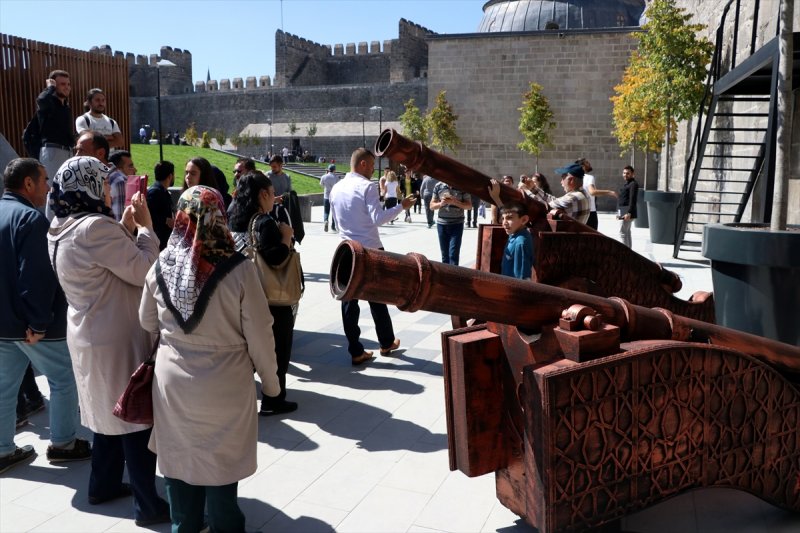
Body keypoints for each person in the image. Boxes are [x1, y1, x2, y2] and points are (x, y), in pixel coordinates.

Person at [139, 185, 280, 531]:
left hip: (173, 383)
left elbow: (146, 321)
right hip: (226, 384)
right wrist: (272, 385)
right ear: (219, 216)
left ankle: (183, 525)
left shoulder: (162, 265)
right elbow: (261, 334)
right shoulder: (240, 269)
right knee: (221, 464)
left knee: (180, 458)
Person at [47, 156, 169, 526]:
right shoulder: (94, 228)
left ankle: (102, 485)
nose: (106, 190)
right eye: (100, 184)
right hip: (115, 335)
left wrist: (122, 227)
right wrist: (146, 229)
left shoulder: (60, 224)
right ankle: (148, 505)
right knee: (133, 416)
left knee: (106, 413)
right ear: (85, 187)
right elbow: (145, 269)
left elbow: (99, 259)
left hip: (88, 331)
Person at [0, 158, 90, 474]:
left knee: (3, 386)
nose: (48, 187)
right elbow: (35, 276)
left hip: (3, 323)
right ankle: (63, 444)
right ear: (28, 184)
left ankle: (2, 450)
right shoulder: (31, 219)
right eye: (44, 180)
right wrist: (38, 322)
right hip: (31, 325)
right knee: (64, 378)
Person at [329, 148, 416, 365]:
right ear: (363, 165)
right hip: (370, 249)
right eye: (371, 166)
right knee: (378, 298)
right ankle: (386, 342)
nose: (373, 172)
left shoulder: (336, 187)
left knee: (349, 300)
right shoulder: (367, 186)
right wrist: (401, 206)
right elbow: (378, 218)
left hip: (347, 248)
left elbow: (336, 220)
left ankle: (356, 350)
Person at [228, 173, 297, 415]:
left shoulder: (233, 218)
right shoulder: (264, 222)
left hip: (241, 294)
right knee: (278, 348)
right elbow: (276, 258)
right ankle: (274, 399)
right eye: (270, 193)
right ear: (263, 195)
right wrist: (287, 238)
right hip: (270, 298)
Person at [487, 184, 533, 280]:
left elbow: (523, 279)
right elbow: (507, 212)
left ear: (524, 220)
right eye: (503, 218)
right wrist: (496, 198)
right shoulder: (516, 233)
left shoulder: (520, 243)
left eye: (509, 218)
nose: (504, 223)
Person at [36, 70, 73, 181]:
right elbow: (41, 99)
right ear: (53, 85)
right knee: (52, 189)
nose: (66, 87)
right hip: (52, 151)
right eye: (62, 84)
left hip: (67, 152)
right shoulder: (48, 103)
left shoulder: (65, 107)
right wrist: (50, 87)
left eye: (68, 84)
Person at [431, 180, 471, 264]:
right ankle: (445, 275)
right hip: (442, 224)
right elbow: (431, 206)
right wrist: (441, 204)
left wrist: (454, 202)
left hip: (457, 224)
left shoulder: (462, 186)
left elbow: (469, 206)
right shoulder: (439, 186)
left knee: (453, 254)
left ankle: (454, 275)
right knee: (444, 255)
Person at [577, 158, 616, 230]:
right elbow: (593, 192)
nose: (589, 163)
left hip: (579, 212)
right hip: (590, 212)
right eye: (587, 163)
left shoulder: (575, 177)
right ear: (582, 166)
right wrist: (609, 192)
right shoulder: (589, 177)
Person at [147, 160, 175, 250]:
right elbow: (149, 215)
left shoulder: (161, 191)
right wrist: (166, 220)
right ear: (170, 176)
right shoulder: (155, 192)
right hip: (158, 242)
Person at [617, 165, 639, 248]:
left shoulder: (633, 184)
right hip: (624, 211)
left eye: (628, 173)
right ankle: (629, 252)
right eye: (624, 173)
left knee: (622, 233)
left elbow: (632, 199)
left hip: (627, 212)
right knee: (627, 232)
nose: (625, 175)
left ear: (633, 174)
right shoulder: (628, 183)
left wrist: (629, 212)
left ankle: (625, 254)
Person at [320, 163, 340, 232]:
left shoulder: (324, 176)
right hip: (334, 197)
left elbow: (321, 185)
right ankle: (333, 226)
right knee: (334, 212)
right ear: (334, 170)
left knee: (326, 211)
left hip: (326, 196)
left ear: (328, 169)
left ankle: (326, 221)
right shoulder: (336, 177)